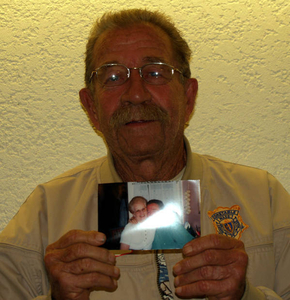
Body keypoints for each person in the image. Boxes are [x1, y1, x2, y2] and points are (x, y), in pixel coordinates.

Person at [0, 8, 289, 300]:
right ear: (91, 107)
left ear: (188, 97)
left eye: (154, 73)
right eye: (113, 76)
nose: (135, 94)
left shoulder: (264, 199)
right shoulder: (47, 212)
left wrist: (247, 295)